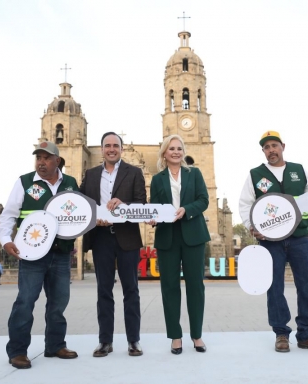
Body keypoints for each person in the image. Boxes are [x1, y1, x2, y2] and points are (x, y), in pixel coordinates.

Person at [238, 131, 308, 353]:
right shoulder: (255, 175)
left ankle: (306, 334)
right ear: (263, 151)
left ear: (282, 146)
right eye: (266, 147)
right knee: (275, 288)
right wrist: (252, 226)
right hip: (271, 241)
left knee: (307, 285)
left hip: (300, 237)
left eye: (274, 145)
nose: (271, 150)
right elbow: (245, 204)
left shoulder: (298, 171)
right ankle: (281, 333)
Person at [0, 141, 79, 369]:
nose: (41, 162)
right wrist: (6, 241)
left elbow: (79, 214)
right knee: (25, 302)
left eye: (46, 158)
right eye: (38, 158)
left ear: (57, 161)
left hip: (61, 254)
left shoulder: (71, 184)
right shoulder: (24, 182)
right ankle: (17, 351)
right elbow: (8, 216)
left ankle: (55, 345)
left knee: (58, 303)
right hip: (32, 255)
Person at [79, 132, 147, 358]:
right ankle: (104, 341)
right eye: (107, 145)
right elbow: (83, 204)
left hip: (127, 237)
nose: (111, 149)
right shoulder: (90, 175)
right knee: (103, 291)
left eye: (115, 145)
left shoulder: (134, 172)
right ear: (101, 149)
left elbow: (141, 204)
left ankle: (134, 340)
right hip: (101, 238)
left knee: (131, 290)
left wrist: (124, 204)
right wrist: (93, 217)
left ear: (121, 149)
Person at [148, 135, 211, 355]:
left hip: (193, 235)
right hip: (167, 237)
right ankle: (175, 336)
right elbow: (154, 206)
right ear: (164, 153)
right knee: (169, 288)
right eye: (171, 148)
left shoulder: (194, 174)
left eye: (179, 148)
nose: (176, 152)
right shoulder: (157, 179)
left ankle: (197, 335)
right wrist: (152, 216)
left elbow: (204, 200)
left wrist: (187, 210)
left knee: (196, 287)